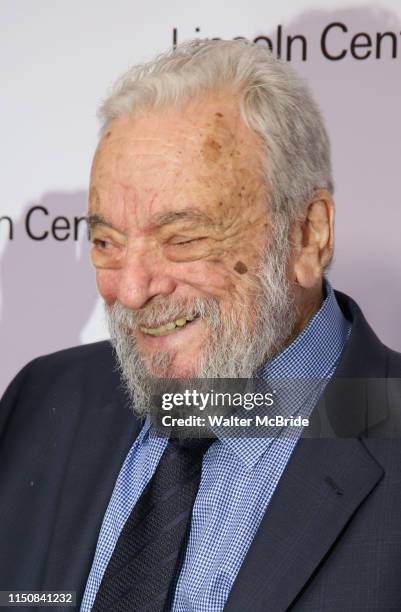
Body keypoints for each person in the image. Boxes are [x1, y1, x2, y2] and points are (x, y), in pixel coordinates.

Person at [1, 39, 401, 612]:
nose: (132, 290)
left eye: (183, 239)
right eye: (106, 242)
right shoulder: (40, 401)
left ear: (309, 235)